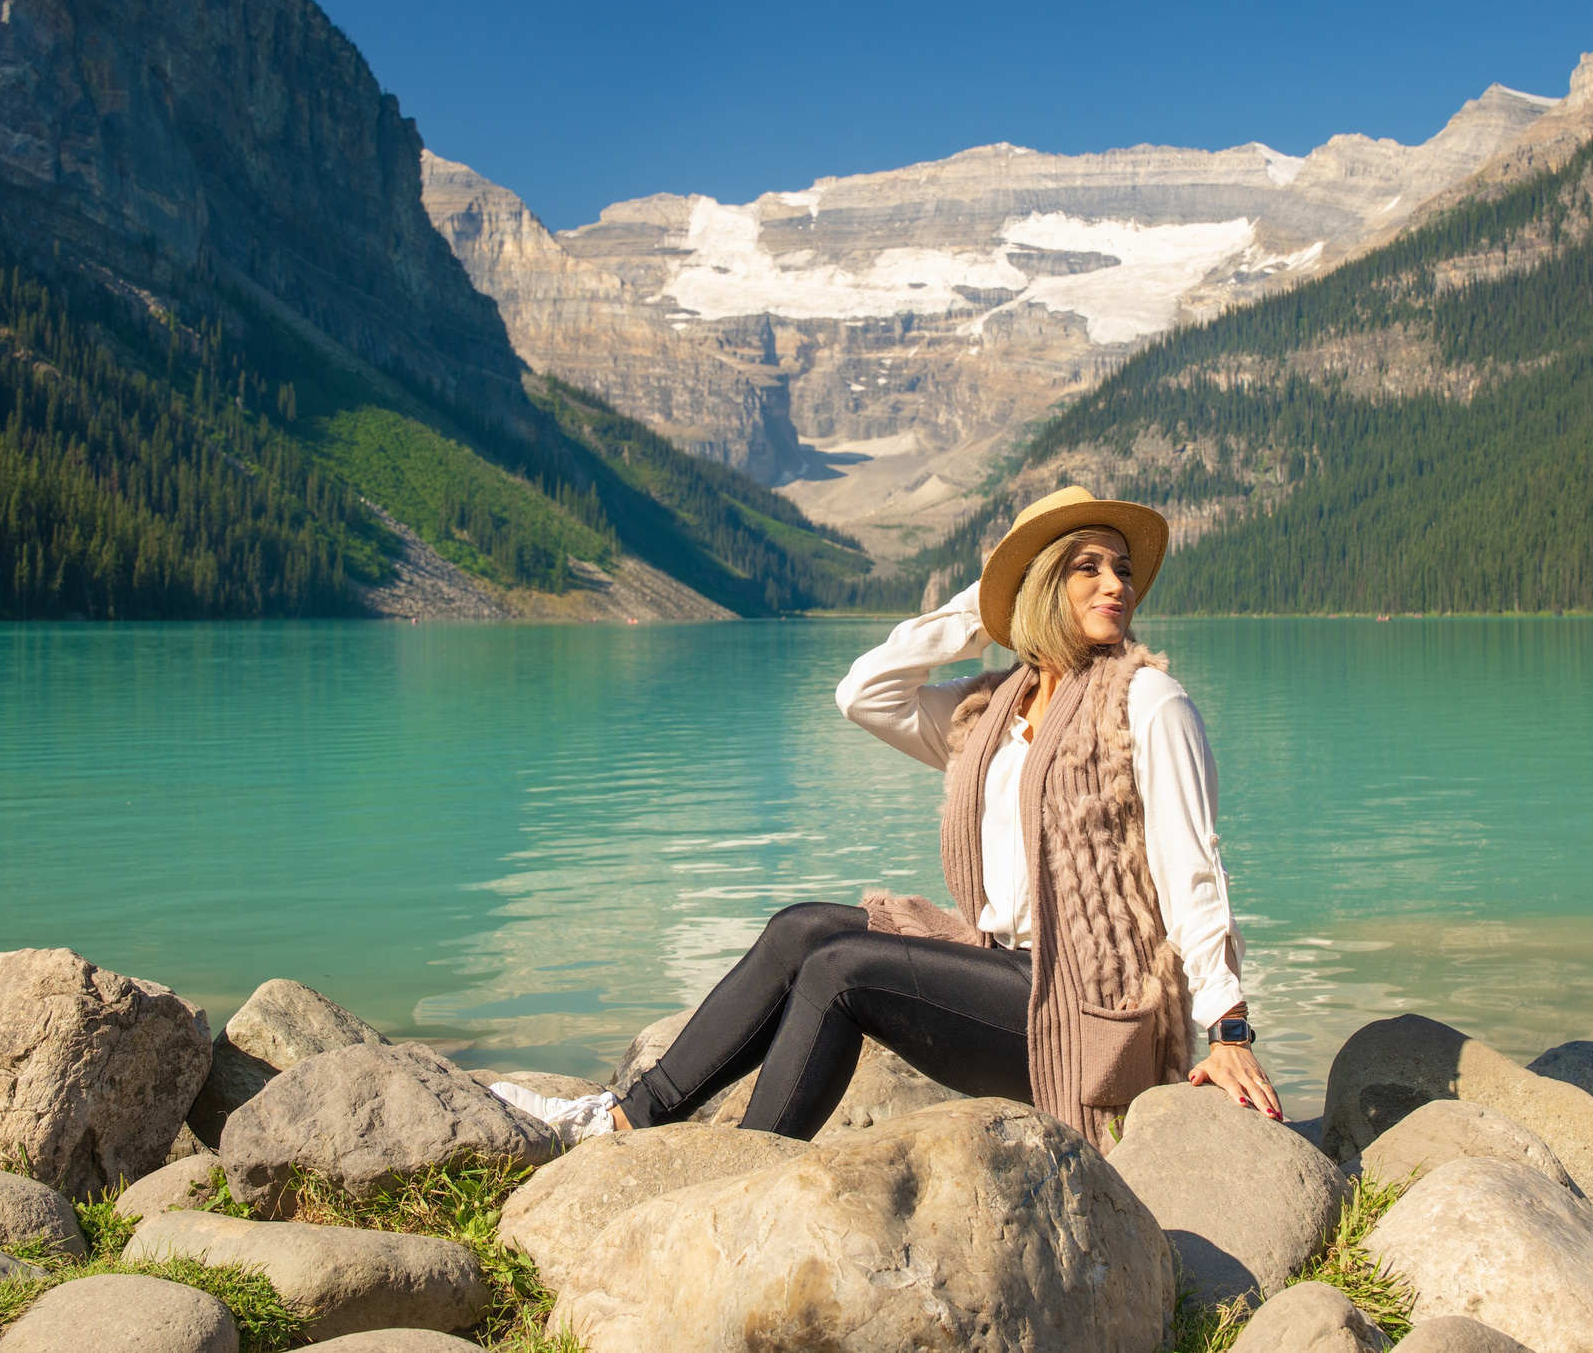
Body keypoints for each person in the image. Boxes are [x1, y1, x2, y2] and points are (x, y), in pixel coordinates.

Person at [497, 485, 1277, 1148]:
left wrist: (1229, 1029)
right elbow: (864, 693)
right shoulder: (991, 712)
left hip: (1089, 1006)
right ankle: (626, 1122)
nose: (1117, 585)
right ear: (1042, 586)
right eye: (1087, 567)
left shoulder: (1147, 703)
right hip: (1003, 966)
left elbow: (1192, 867)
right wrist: (983, 609)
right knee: (802, 928)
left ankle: (739, 1172)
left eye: (1123, 569)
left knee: (841, 972)